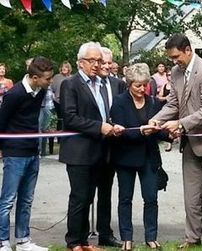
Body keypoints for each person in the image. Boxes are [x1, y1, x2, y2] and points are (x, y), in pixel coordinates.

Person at [146, 34, 202, 251]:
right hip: (190, 142)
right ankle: (192, 237)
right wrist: (158, 118)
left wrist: (180, 124)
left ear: (188, 50)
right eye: (171, 58)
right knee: (191, 195)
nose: (174, 61)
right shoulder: (175, 72)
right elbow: (173, 103)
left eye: (176, 56)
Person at [59, 41, 123, 251]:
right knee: (79, 197)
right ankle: (73, 242)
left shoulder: (99, 84)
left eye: (99, 60)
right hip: (79, 151)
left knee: (88, 198)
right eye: (92, 60)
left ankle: (84, 241)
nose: (96, 64)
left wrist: (111, 126)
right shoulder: (71, 84)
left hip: (99, 150)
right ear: (80, 63)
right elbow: (70, 118)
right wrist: (99, 127)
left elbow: (102, 114)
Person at [110, 63, 170, 250]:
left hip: (149, 158)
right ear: (129, 84)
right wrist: (141, 133)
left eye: (145, 85)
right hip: (125, 157)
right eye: (138, 85)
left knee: (151, 198)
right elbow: (121, 131)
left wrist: (169, 134)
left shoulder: (153, 102)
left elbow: (157, 131)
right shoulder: (119, 102)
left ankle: (151, 236)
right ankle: (126, 237)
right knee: (125, 198)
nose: (142, 89)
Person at [0, 56, 54, 251]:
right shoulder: (14, 94)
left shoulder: (40, 90)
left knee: (26, 199)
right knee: (7, 200)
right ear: (34, 77)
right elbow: (2, 121)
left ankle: (23, 241)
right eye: (47, 79)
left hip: (33, 150)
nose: (50, 82)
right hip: (15, 152)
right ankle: (2, 242)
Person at [93, 47, 127, 247]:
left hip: (113, 146)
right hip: (92, 144)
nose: (106, 66)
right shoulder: (90, 84)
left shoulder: (118, 84)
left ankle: (105, 233)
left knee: (106, 192)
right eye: (102, 62)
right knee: (86, 193)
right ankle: (80, 234)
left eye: (109, 62)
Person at [51, 61, 73, 133]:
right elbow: (52, 89)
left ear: (69, 68)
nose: (64, 68)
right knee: (59, 119)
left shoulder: (72, 78)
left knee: (66, 118)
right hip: (57, 101)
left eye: (66, 67)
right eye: (63, 67)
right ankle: (58, 137)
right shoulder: (56, 77)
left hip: (68, 101)